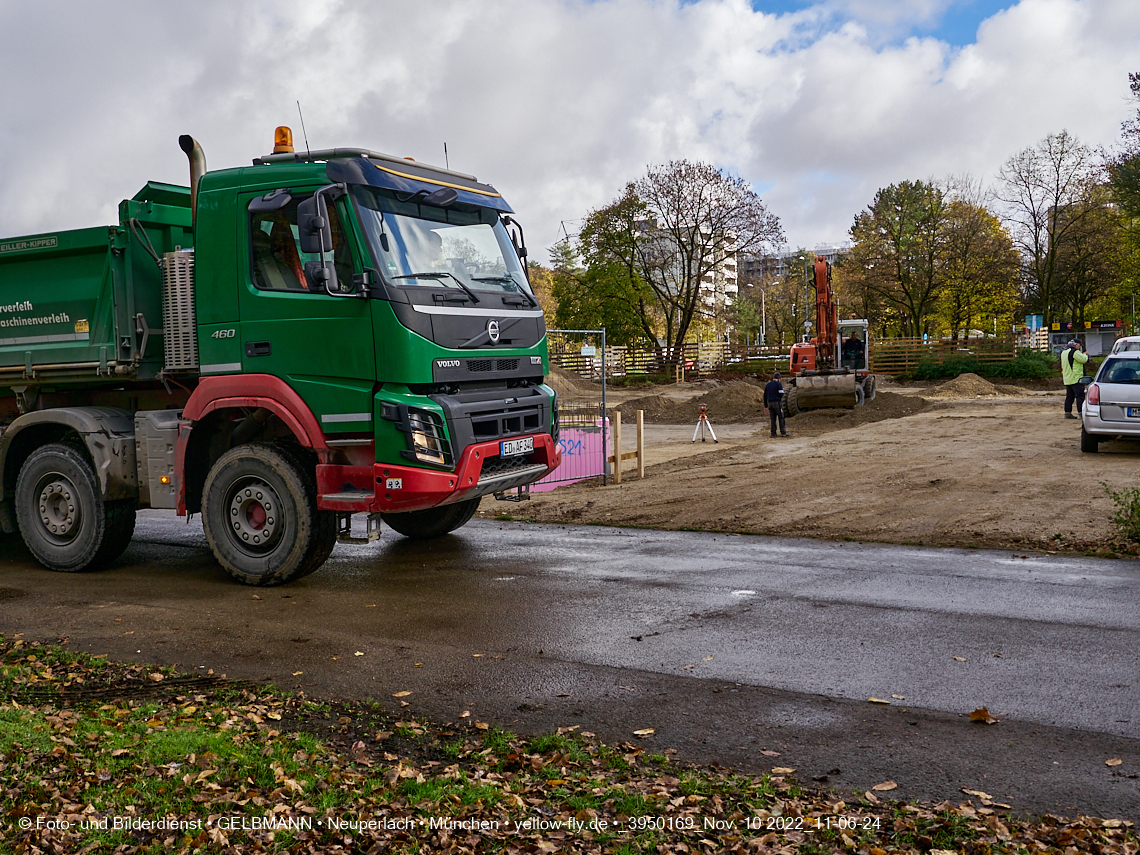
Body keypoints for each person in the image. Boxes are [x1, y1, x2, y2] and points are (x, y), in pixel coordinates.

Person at [1060, 338, 1089, 419]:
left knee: (1069, 396)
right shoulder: (1075, 352)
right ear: (1076, 344)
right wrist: (1085, 355)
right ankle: (1081, 413)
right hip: (1076, 378)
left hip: (1067, 378)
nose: (1080, 347)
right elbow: (1083, 360)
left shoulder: (1064, 352)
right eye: (1079, 345)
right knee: (1080, 396)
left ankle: (1067, 412)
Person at [764, 371, 787, 437]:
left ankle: (773, 433)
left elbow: (765, 395)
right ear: (779, 378)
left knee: (773, 418)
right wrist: (778, 397)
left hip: (770, 403)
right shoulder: (778, 384)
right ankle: (783, 432)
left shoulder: (768, 385)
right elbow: (781, 393)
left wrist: (765, 406)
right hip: (777, 403)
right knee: (781, 417)